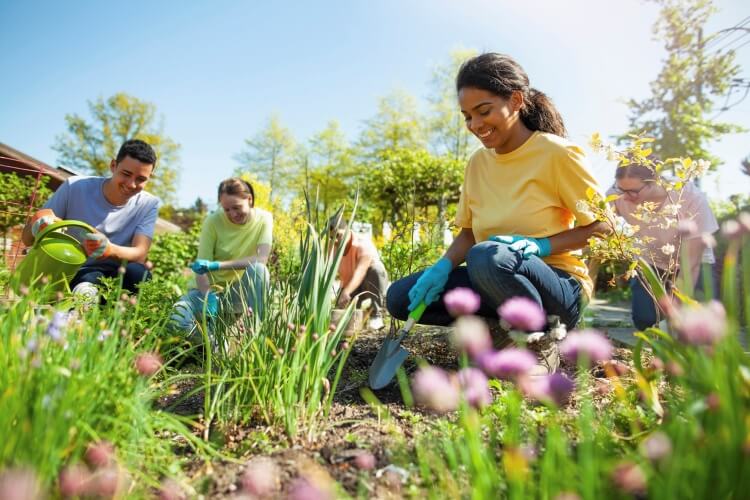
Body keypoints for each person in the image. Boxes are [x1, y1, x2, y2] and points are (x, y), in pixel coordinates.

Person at [386, 53, 607, 371]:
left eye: (483, 111)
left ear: (516, 100)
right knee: (400, 297)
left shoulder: (557, 154)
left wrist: (540, 246)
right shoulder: (478, 163)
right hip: (493, 273)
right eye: (467, 117)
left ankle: (541, 342)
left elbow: (604, 227)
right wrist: (441, 267)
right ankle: (501, 329)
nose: (475, 125)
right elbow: (469, 233)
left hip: (558, 287)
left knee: (487, 256)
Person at [22, 139, 160, 299]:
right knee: (86, 281)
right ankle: (82, 298)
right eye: (126, 174)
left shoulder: (148, 204)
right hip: (68, 268)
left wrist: (110, 249)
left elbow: (140, 253)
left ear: (149, 178)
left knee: (139, 273)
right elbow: (26, 239)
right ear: (113, 166)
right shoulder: (74, 187)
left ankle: (96, 304)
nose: (131, 184)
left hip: (111, 274)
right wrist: (37, 223)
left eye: (141, 179)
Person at [608, 162, 719, 330]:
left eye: (633, 191)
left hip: (691, 263)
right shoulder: (618, 194)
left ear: (655, 181)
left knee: (698, 322)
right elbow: (597, 222)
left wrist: (675, 310)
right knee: (646, 320)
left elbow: (691, 264)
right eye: (621, 189)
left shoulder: (689, 196)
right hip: (650, 261)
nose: (626, 197)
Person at [170, 177, 272, 340]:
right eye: (227, 209)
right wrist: (208, 296)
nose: (232, 214)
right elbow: (200, 269)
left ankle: (256, 337)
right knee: (177, 319)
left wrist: (218, 265)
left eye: (237, 207)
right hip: (206, 293)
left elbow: (262, 259)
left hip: (237, 294)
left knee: (260, 270)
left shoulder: (264, 219)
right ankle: (210, 343)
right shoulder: (213, 222)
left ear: (249, 199)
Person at [327, 214, 389, 330]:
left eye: (338, 235)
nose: (335, 240)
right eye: (331, 237)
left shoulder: (362, 243)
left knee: (377, 270)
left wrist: (346, 292)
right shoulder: (333, 246)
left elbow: (361, 271)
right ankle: (362, 316)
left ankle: (377, 315)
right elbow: (327, 268)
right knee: (341, 318)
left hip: (368, 281)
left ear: (347, 230)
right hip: (350, 285)